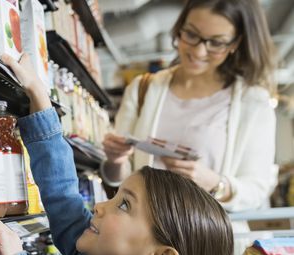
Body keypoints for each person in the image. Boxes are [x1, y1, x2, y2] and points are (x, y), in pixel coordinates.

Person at [0, 53, 234, 255]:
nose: (99, 206)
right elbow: (63, 196)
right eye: (115, 196)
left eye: (124, 205)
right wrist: (39, 98)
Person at [101, 0, 277, 213]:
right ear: (179, 27)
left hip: (209, 241)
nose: (199, 52)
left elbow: (257, 189)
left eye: (216, 43)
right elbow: (117, 179)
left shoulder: (253, 102)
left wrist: (215, 183)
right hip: (143, 237)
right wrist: (116, 160)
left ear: (235, 43)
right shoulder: (144, 88)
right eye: (191, 35)